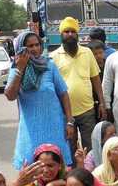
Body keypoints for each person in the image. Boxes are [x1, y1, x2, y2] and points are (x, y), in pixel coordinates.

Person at [5, 29, 74, 169]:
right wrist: (20, 69)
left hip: (55, 127)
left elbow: (63, 94)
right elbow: (10, 95)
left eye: (37, 45)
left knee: (57, 166)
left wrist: (69, 122)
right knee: (32, 168)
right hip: (31, 130)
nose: (35, 49)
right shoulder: (16, 68)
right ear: (21, 48)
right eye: (30, 46)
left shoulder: (49, 65)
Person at [50, 17, 106, 153]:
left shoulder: (87, 53)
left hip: (87, 110)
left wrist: (102, 103)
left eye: (73, 31)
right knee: (70, 149)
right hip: (64, 113)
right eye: (66, 31)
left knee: (91, 149)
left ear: (77, 34)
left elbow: (96, 79)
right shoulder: (53, 57)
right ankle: (74, 174)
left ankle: (91, 174)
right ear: (61, 35)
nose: (70, 34)